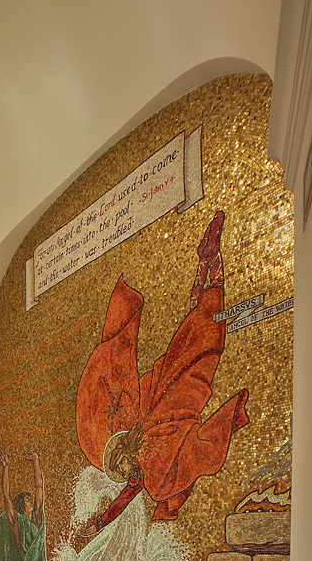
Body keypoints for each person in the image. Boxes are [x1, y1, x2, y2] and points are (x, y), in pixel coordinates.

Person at [77, 210, 249, 536]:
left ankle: (208, 265)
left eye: (121, 463)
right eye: (122, 469)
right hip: (185, 400)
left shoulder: (140, 439)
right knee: (203, 343)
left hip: (173, 392)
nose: (125, 469)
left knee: (195, 342)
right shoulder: (142, 476)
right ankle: (209, 266)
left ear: (123, 453)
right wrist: (99, 523)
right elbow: (123, 500)